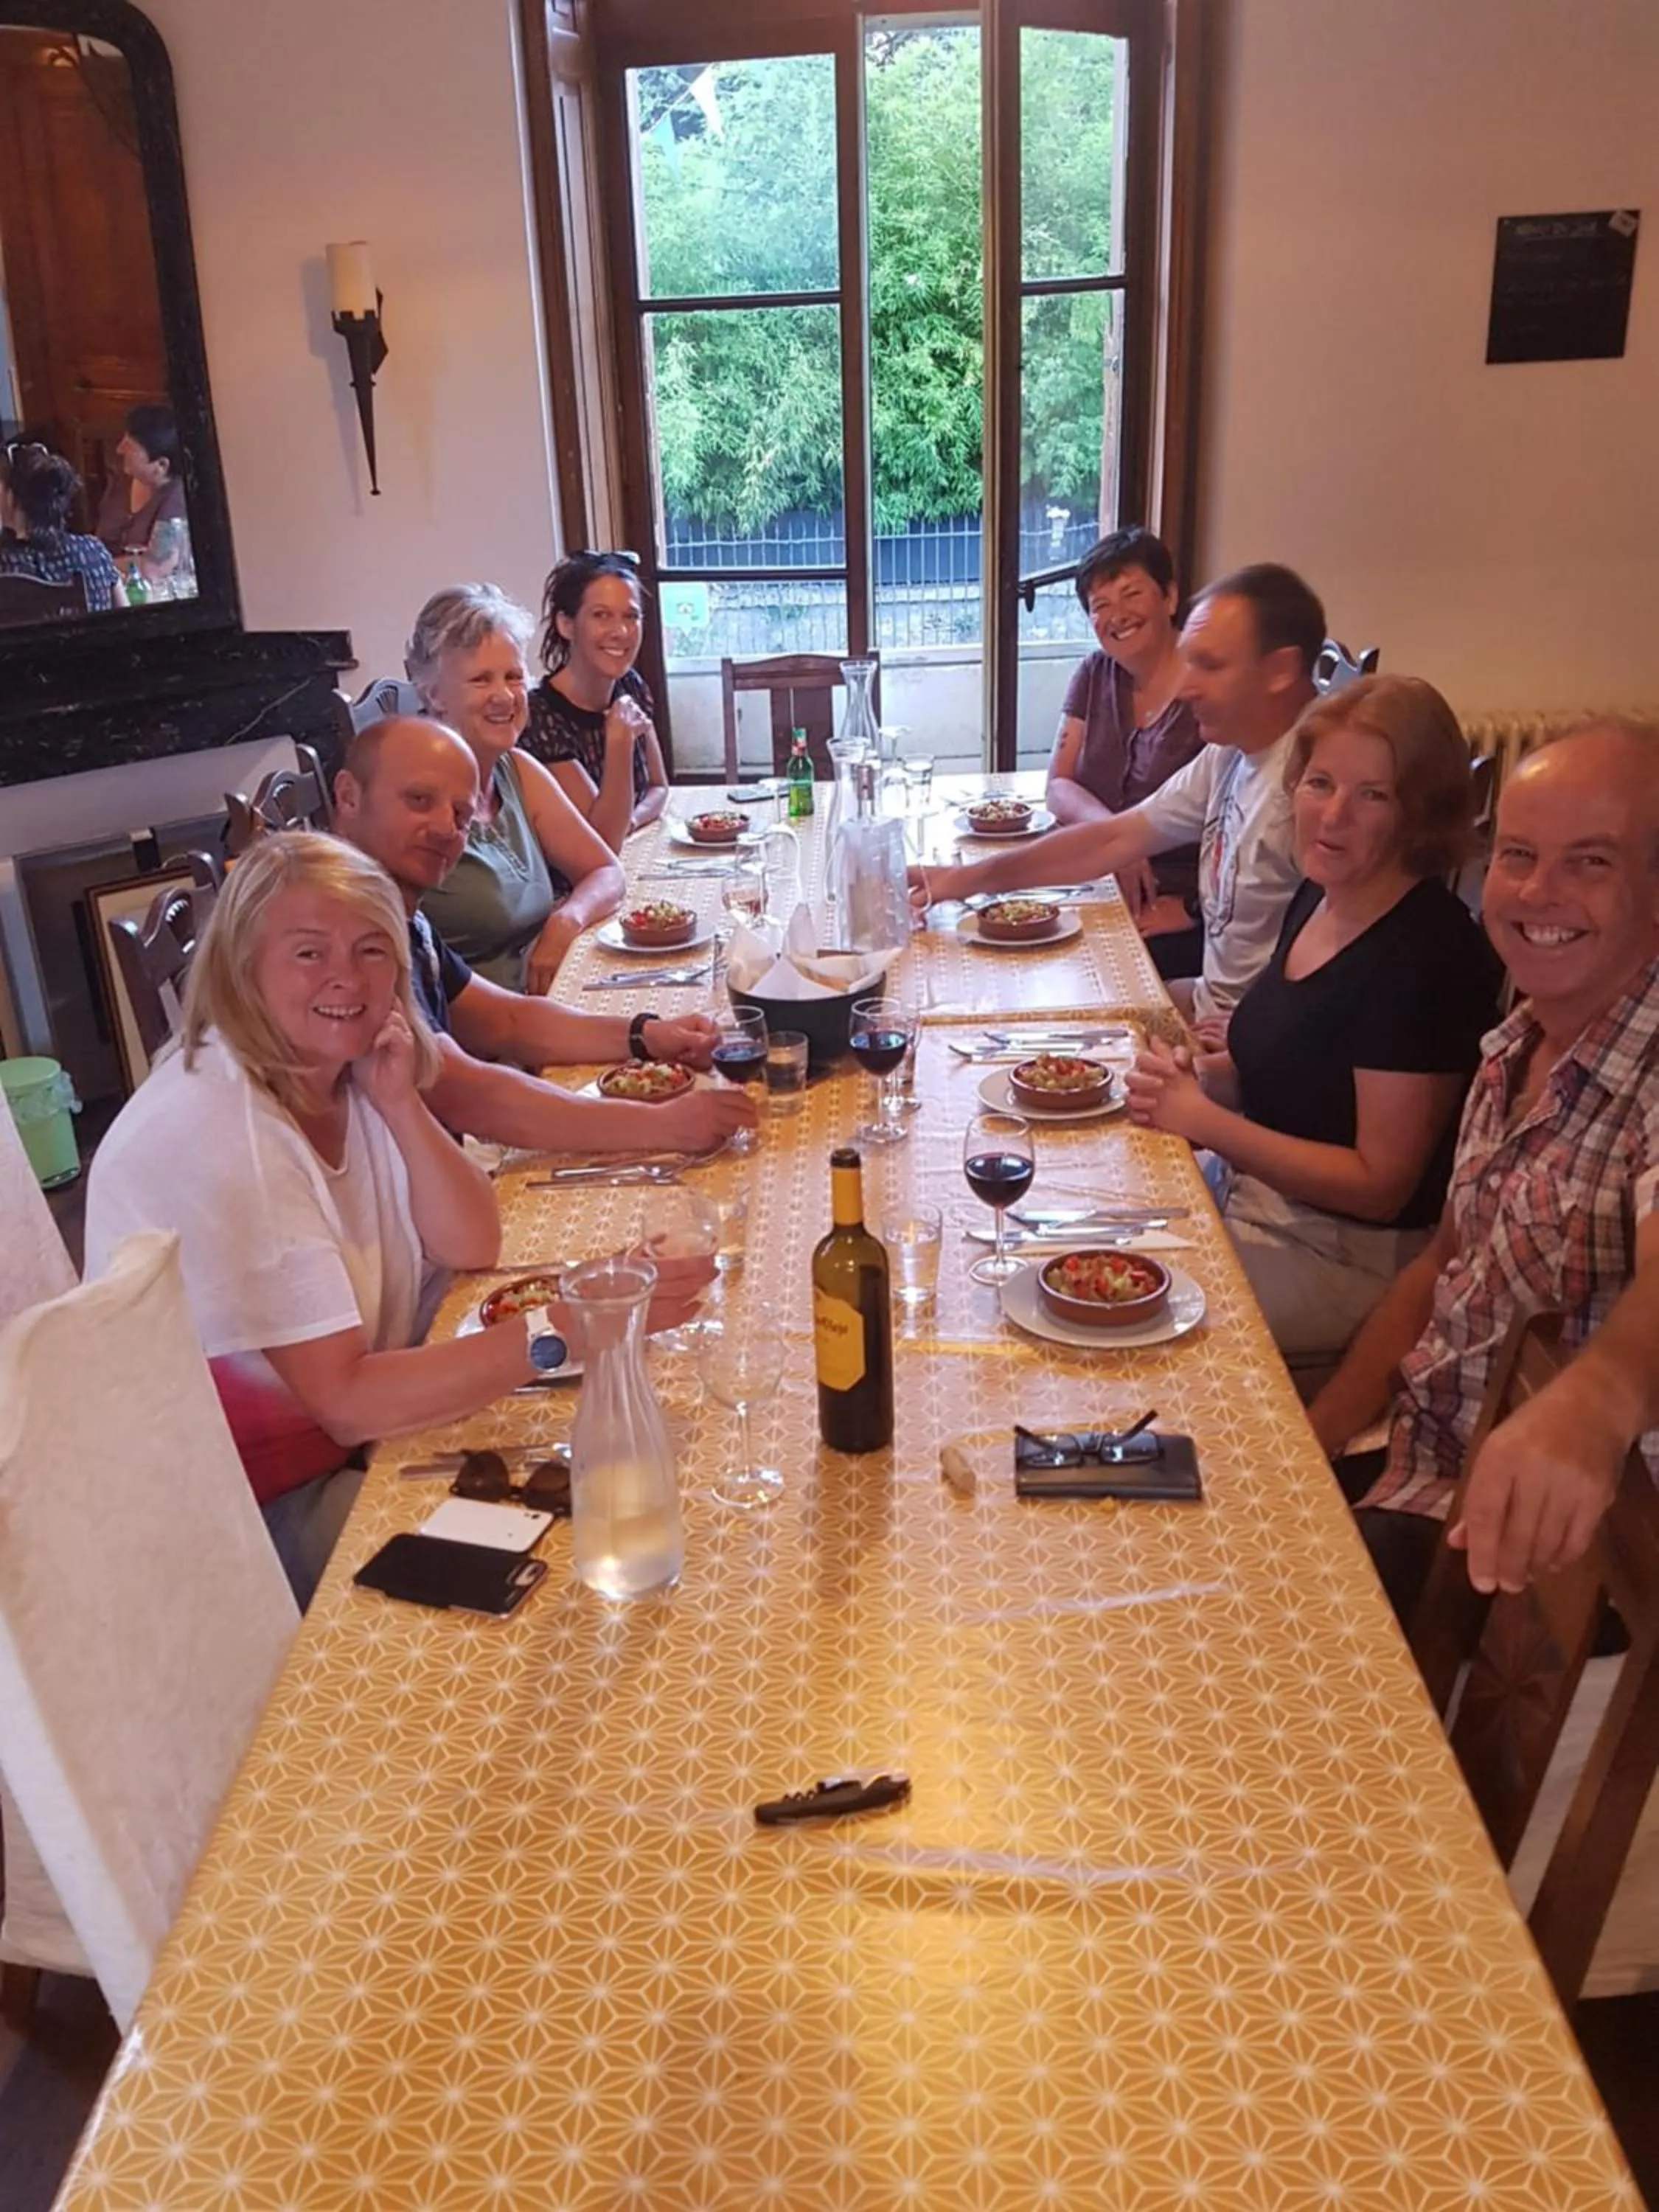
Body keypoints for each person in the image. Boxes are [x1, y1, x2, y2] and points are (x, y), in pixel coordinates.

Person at [83, 834, 715, 1608]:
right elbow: (348, 1401)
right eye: (309, 954)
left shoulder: (336, 1064)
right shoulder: (225, 1130)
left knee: (647, 1496)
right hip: (237, 1526)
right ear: (244, 968)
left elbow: (470, 1242)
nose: (346, 978)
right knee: (591, 1573)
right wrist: (570, 1328)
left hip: (358, 1438)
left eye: (372, 950)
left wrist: (399, 1102)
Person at [1304, 720, 1659, 1619]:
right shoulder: (1516, 1044)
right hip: (1411, 1459)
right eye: (1519, 855)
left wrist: (1603, 1397)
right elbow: (1438, 1272)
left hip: (1525, 1563)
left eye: (1591, 862)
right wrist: (1310, 1440)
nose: (1539, 891)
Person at [1126, 676, 1501, 1366]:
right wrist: (1195, 1080)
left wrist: (1204, 1122)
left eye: (1373, 795)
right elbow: (1287, 1073)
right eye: (1320, 783)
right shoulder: (1323, 893)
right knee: (1081, 1242)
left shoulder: (1425, 955)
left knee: (1125, 1322)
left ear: (1420, 813)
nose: (1332, 816)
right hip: (1257, 1203)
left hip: (1344, 1260)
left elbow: (1379, 1186)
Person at [915, 563, 1326, 1026]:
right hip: (1208, 1008)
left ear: (1280, 671)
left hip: (1246, 1051)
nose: (1187, 687)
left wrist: (1232, 1055)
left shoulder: (1319, 792)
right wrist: (954, 881)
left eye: (1210, 666)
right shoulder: (1232, 751)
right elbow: (1112, 839)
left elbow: (1341, 992)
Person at [333, 716, 755, 1156]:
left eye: (461, 815)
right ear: (348, 796)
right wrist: (663, 1126)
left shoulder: (396, 912)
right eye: (419, 800)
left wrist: (647, 1034)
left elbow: (503, 1020)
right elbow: (466, 1095)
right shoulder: (345, 931)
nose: (445, 829)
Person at [405, 583, 626, 992]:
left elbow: (606, 870)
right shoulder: (413, 802)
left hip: (548, 1002)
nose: (504, 696)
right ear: (434, 694)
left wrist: (567, 920)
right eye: (481, 680)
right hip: (486, 1036)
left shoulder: (516, 768)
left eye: (513, 676)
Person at [1046, 526, 1205, 979]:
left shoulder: (1206, 689)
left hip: (1171, 906)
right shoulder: (1095, 673)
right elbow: (1059, 785)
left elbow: (1242, 823)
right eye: (1101, 606)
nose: (1117, 616)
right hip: (1099, 881)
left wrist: (1197, 910)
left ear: (1170, 598)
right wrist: (1117, 839)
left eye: (1131, 594)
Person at [519, 551, 670, 852]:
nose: (621, 632)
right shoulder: (540, 715)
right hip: (572, 887)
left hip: (634, 854)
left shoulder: (630, 685)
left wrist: (630, 821)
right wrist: (619, 742)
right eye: (601, 615)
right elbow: (602, 839)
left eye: (631, 616)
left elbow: (659, 787)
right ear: (566, 625)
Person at [0, 443, 125, 612]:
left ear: (10, 497)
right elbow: (125, 614)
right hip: (97, 639)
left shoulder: (6, 565)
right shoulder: (93, 551)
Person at [94, 403, 195, 599]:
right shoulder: (122, 481)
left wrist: (92, 568)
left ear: (161, 465)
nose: (119, 449)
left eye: (131, 446)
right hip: (108, 591)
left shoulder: (177, 498)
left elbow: (155, 568)